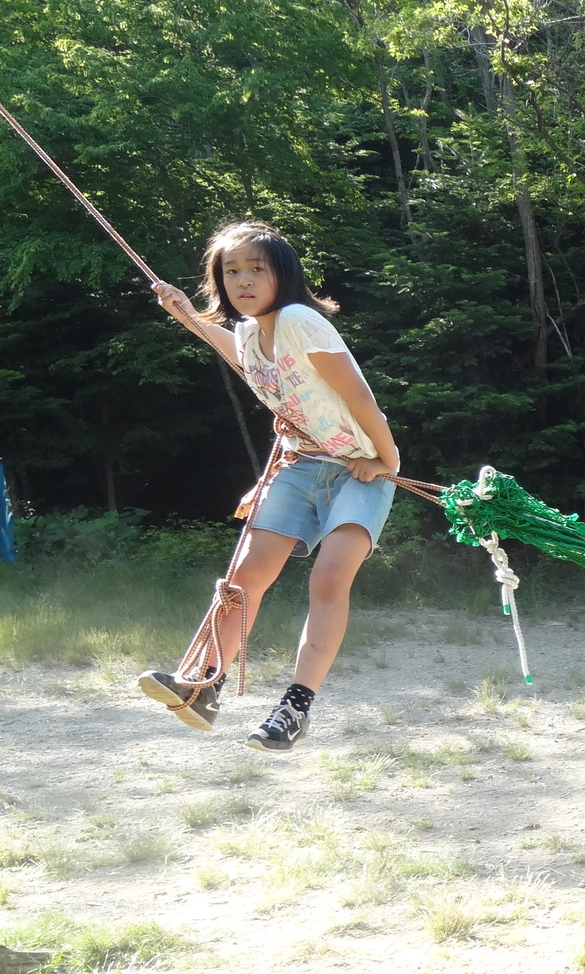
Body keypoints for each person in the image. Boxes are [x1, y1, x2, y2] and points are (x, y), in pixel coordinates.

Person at [138, 221, 402, 751]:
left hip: (358, 466)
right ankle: (202, 685)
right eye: (231, 270)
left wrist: (386, 459)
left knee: (328, 582)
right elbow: (239, 356)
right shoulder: (248, 334)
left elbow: (358, 396)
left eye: (257, 268)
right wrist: (186, 314)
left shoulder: (301, 321)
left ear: (283, 274)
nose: (244, 279)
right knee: (243, 580)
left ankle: (295, 708)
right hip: (299, 464)